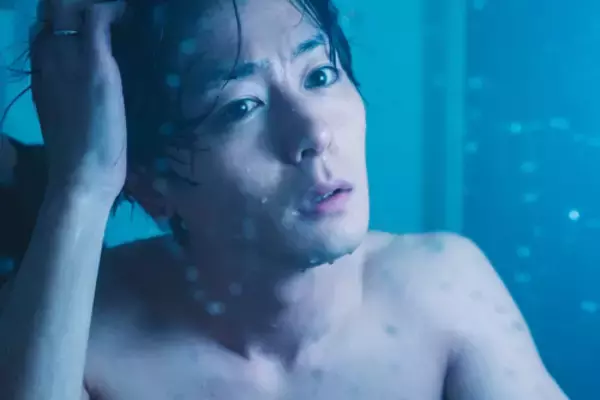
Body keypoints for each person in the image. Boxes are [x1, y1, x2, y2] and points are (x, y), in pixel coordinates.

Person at [0, 0, 569, 399]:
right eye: (240, 107)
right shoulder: (77, 336)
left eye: (319, 76)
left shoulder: (444, 292)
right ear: (152, 186)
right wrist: (80, 185)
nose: (313, 132)